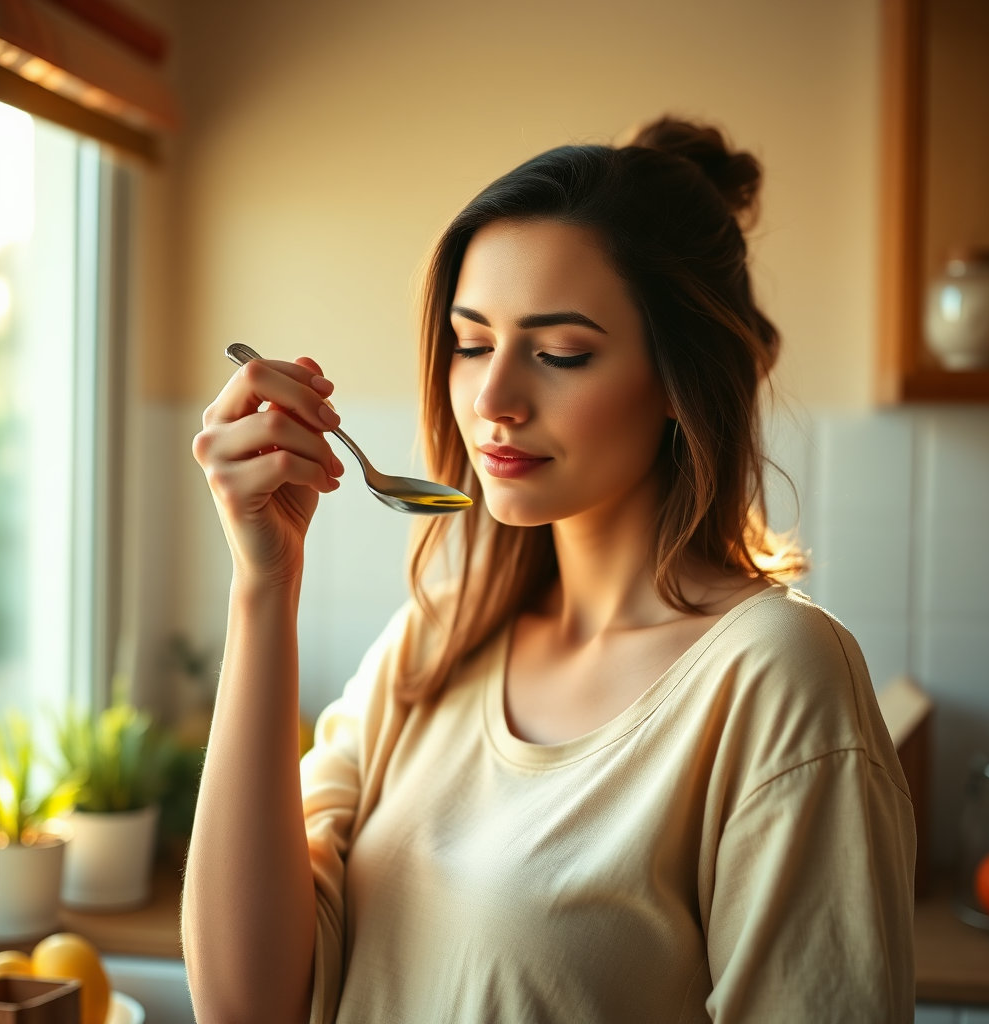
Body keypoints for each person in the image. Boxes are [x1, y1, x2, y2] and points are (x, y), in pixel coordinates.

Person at [184, 114, 916, 1023]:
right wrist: (264, 585)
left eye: (560, 353)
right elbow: (243, 1004)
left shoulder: (773, 677)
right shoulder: (435, 640)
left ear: (680, 381)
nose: (492, 400)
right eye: (472, 342)